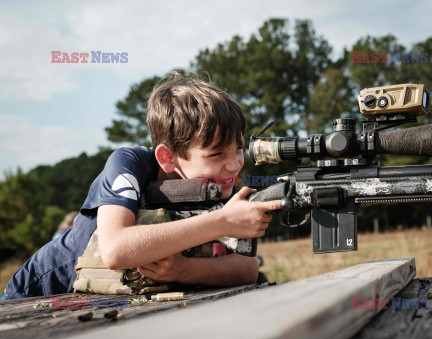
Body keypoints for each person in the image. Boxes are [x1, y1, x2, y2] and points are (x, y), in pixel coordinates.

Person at [0, 74, 281, 300]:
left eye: (239, 149)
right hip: (40, 291)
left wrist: (184, 270)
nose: (234, 165)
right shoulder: (130, 163)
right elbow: (115, 250)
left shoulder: (221, 183)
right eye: (217, 154)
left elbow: (247, 268)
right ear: (167, 157)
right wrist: (219, 222)